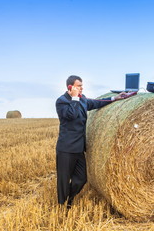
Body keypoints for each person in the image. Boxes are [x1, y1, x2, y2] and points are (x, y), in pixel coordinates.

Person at [55, 75, 126, 208]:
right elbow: (71, 114)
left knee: (82, 179)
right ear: (70, 87)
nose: (82, 88)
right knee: (63, 180)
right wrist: (75, 97)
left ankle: (69, 198)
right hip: (66, 148)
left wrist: (113, 99)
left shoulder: (82, 99)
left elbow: (95, 103)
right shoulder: (62, 101)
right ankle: (62, 205)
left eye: (82, 85)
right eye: (79, 86)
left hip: (79, 148)